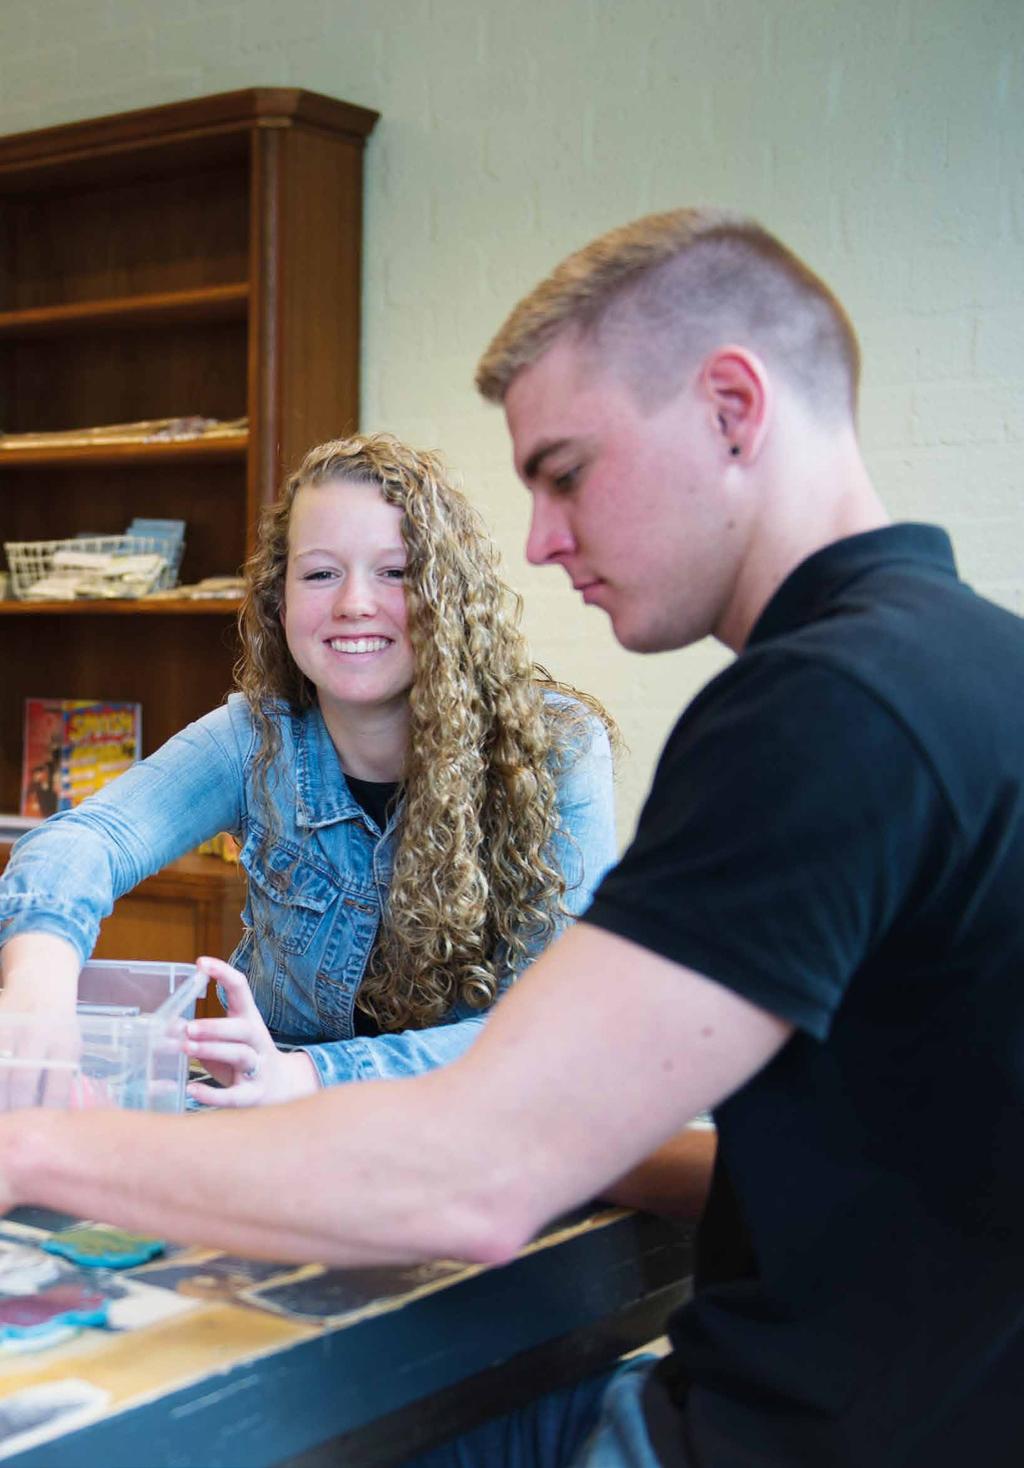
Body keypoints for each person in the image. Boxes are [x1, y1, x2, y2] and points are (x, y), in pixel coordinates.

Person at [1, 208, 1022, 1468]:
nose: (540, 536)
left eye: (567, 469)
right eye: (320, 576)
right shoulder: (977, 667)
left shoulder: (819, 714)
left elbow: (478, 1178)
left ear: (731, 407)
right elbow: (858, 1160)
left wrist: (30, 1143)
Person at [0, 431, 616, 1106]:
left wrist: (308, 1077)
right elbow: (85, 839)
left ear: (451, 594)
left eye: (396, 572)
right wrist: (40, 982)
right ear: (279, 600)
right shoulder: (253, 738)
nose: (354, 602)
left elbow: (550, 1030)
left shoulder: (557, 748)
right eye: (321, 573)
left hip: (473, 1127)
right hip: (273, 1129)